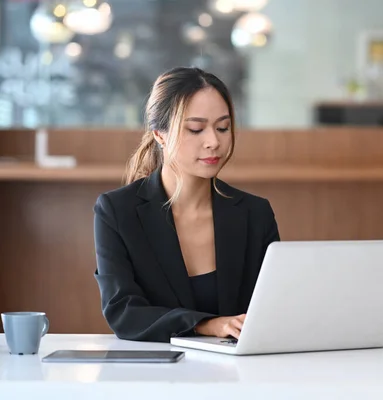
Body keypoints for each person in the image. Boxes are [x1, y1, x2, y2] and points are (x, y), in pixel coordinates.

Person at [93, 67, 280, 343]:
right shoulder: (117, 211)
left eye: (223, 127)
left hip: (239, 375)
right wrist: (207, 325)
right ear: (159, 134)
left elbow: (273, 309)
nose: (213, 142)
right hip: (156, 375)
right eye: (195, 129)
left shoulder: (255, 213)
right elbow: (124, 312)